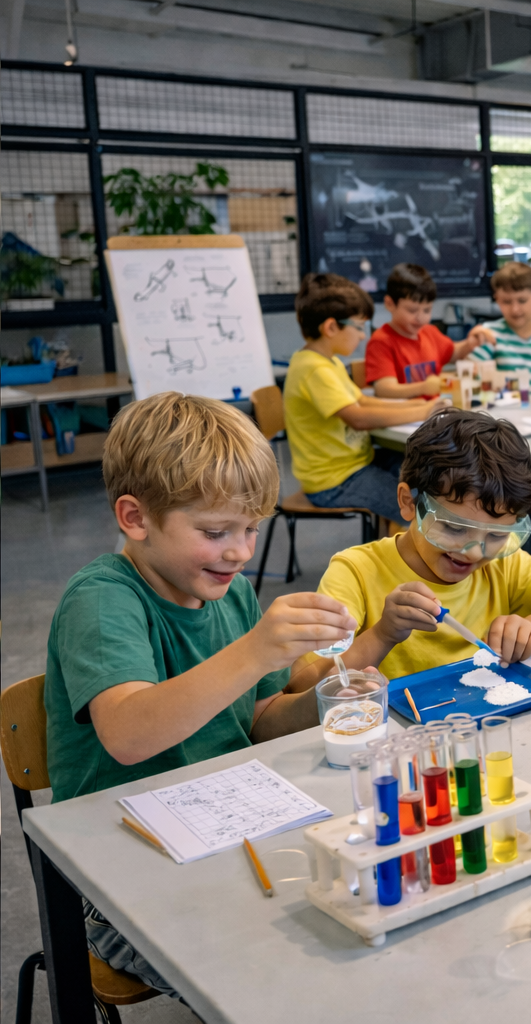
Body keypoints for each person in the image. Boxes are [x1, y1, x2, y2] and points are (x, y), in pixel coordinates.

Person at [44, 392, 356, 997]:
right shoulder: (105, 600)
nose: (240, 552)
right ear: (135, 519)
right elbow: (130, 735)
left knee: (350, 912)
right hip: (118, 883)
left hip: (229, 832)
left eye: (250, 529)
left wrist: (329, 695)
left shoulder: (229, 593)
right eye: (215, 531)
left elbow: (260, 721)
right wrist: (256, 652)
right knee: (278, 976)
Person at [290, 408, 531, 685]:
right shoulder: (356, 572)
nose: (473, 551)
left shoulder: (502, 565)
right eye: (454, 528)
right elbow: (302, 682)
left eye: (497, 537)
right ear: (408, 503)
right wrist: (382, 634)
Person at [285, 273, 447, 525]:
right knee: (420, 509)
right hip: (335, 481)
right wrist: (423, 412)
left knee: (426, 473)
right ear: (330, 327)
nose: (362, 336)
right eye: (359, 327)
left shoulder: (328, 361)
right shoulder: (314, 369)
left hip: (357, 463)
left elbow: (361, 400)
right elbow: (358, 418)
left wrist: (418, 404)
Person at [365, 263, 478, 400]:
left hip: (434, 412)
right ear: (390, 304)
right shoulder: (381, 341)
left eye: (427, 310)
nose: (420, 318)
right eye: (412, 310)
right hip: (406, 417)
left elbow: (453, 353)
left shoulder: (429, 332)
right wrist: (423, 387)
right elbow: (384, 389)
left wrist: (470, 343)